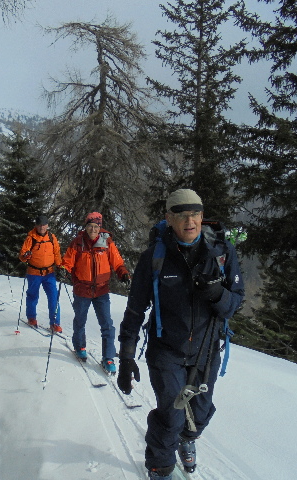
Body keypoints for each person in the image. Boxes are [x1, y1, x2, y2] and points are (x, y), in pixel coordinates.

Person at [117, 189, 245, 479]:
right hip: (166, 350)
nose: (191, 221)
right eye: (182, 215)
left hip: (206, 350)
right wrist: (126, 356)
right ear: (169, 218)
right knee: (171, 415)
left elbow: (236, 301)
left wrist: (217, 294)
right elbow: (135, 310)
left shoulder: (221, 253)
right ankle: (160, 468)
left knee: (199, 413)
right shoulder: (155, 257)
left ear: (202, 215)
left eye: (196, 214)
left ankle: (188, 439)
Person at [60, 212, 130, 373]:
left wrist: (124, 274)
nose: (93, 229)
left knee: (107, 325)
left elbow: (117, 262)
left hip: (101, 290)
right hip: (82, 289)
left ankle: (108, 357)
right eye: (90, 226)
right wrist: (63, 269)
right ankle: (79, 347)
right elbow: (68, 261)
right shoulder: (78, 242)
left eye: (96, 226)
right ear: (86, 227)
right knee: (80, 321)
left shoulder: (107, 242)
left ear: (100, 227)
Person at [18, 215, 63, 332]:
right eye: (39, 225)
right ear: (36, 226)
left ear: (47, 225)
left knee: (54, 297)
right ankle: (31, 317)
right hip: (34, 273)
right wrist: (25, 256)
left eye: (43, 225)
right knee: (33, 295)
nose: (42, 227)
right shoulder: (30, 238)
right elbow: (22, 255)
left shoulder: (52, 237)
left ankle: (55, 323)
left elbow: (57, 253)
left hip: (49, 273)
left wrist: (60, 266)